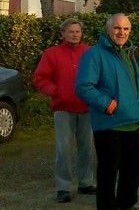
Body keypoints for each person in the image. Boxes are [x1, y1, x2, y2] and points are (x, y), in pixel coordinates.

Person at [75, 14, 139, 210]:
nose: (121, 32)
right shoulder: (94, 54)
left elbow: (130, 82)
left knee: (134, 170)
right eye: (117, 28)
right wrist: (107, 105)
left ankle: (126, 205)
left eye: (126, 29)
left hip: (132, 120)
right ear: (107, 29)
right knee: (108, 173)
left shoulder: (128, 52)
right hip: (110, 123)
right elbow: (84, 87)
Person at [33, 18, 96, 204]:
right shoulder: (51, 54)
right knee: (64, 149)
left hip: (87, 108)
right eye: (71, 32)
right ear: (63, 34)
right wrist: (56, 91)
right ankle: (63, 187)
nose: (75, 34)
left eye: (77, 31)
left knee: (87, 148)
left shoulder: (90, 52)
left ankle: (85, 182)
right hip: (63, 109)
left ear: (81, 33)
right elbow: (40, 78)